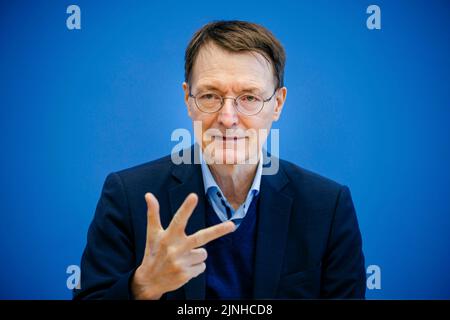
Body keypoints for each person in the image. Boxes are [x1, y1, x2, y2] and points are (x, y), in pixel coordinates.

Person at [74, 20, 366, 300]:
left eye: (249, 97)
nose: (228, 119)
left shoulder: (327, 207)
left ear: (277, 104)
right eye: (210, 96)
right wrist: (141, 287)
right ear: (188, 100)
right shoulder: (128, 196)